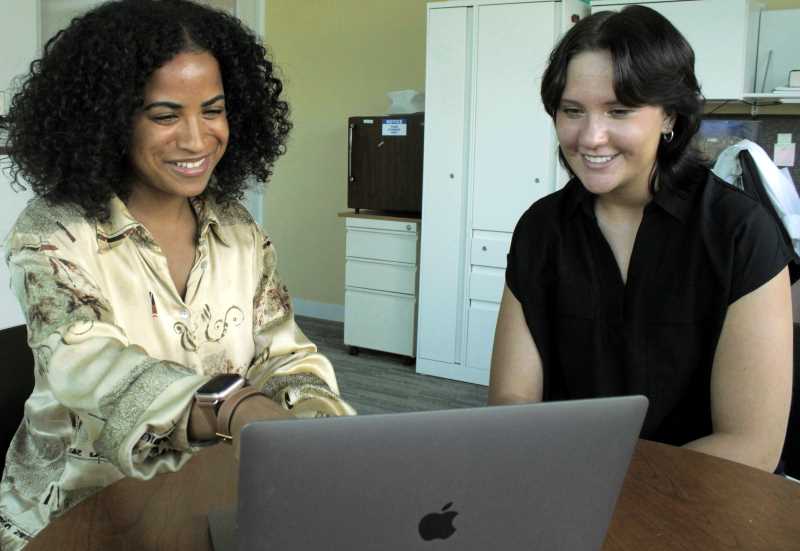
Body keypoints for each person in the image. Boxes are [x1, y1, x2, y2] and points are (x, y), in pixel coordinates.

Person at [0, 1, 355, 548]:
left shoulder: (239, 230)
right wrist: (232, 405)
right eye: (165, 116)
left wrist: (315, 424)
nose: (196, 139)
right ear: (108, 119)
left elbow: (284, 354)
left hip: (215, 494)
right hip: (79, 510)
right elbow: (90, 363)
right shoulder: (53, 232)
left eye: (212, 110)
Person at [489, 6, 793, 473]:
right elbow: (511, 399)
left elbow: (751, 445)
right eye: (573, 111)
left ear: (669, 115)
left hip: (699, 504)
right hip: (563, 490)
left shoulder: (739, 233)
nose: (591, 137)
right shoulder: (540, 230)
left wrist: (604, 484)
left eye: (619, 111)